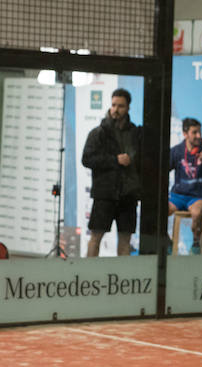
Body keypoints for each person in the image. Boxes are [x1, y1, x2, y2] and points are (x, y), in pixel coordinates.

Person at [81, 88, 142, 257]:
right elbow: (87, 159)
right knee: (95, 237)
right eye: (113, 105)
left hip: (127, 195)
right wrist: (115, 160)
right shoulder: (98, 133)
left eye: (120, 106)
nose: (115, 109)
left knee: (125, 240)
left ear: (128, 107)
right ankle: (87, 276)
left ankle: (122, 280)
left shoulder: (136, 133)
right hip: (105, 194)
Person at [169, 118, 202, 254]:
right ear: (185, 134)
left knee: (196, 213)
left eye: (200, 132)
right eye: (195, 132)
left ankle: (195, 244)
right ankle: (166, 241)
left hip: (198, 197)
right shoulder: (177, 151)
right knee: (157, 211)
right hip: (177, 197)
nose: (199, 136)